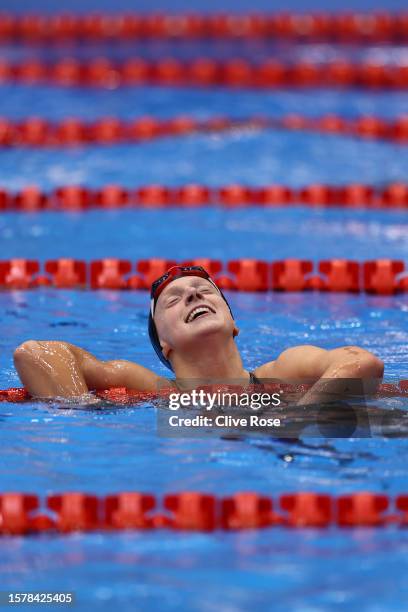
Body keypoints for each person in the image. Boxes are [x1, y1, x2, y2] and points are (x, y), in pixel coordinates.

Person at [13, 265, 384, 401]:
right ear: (164, 343)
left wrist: (303, 415)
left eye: (206, 292)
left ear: (233, 323)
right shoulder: (151, 390)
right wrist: (82, 407)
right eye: (174, 300)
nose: (192, 294)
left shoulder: (284, 372)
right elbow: (34, 352)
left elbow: (360, 363)